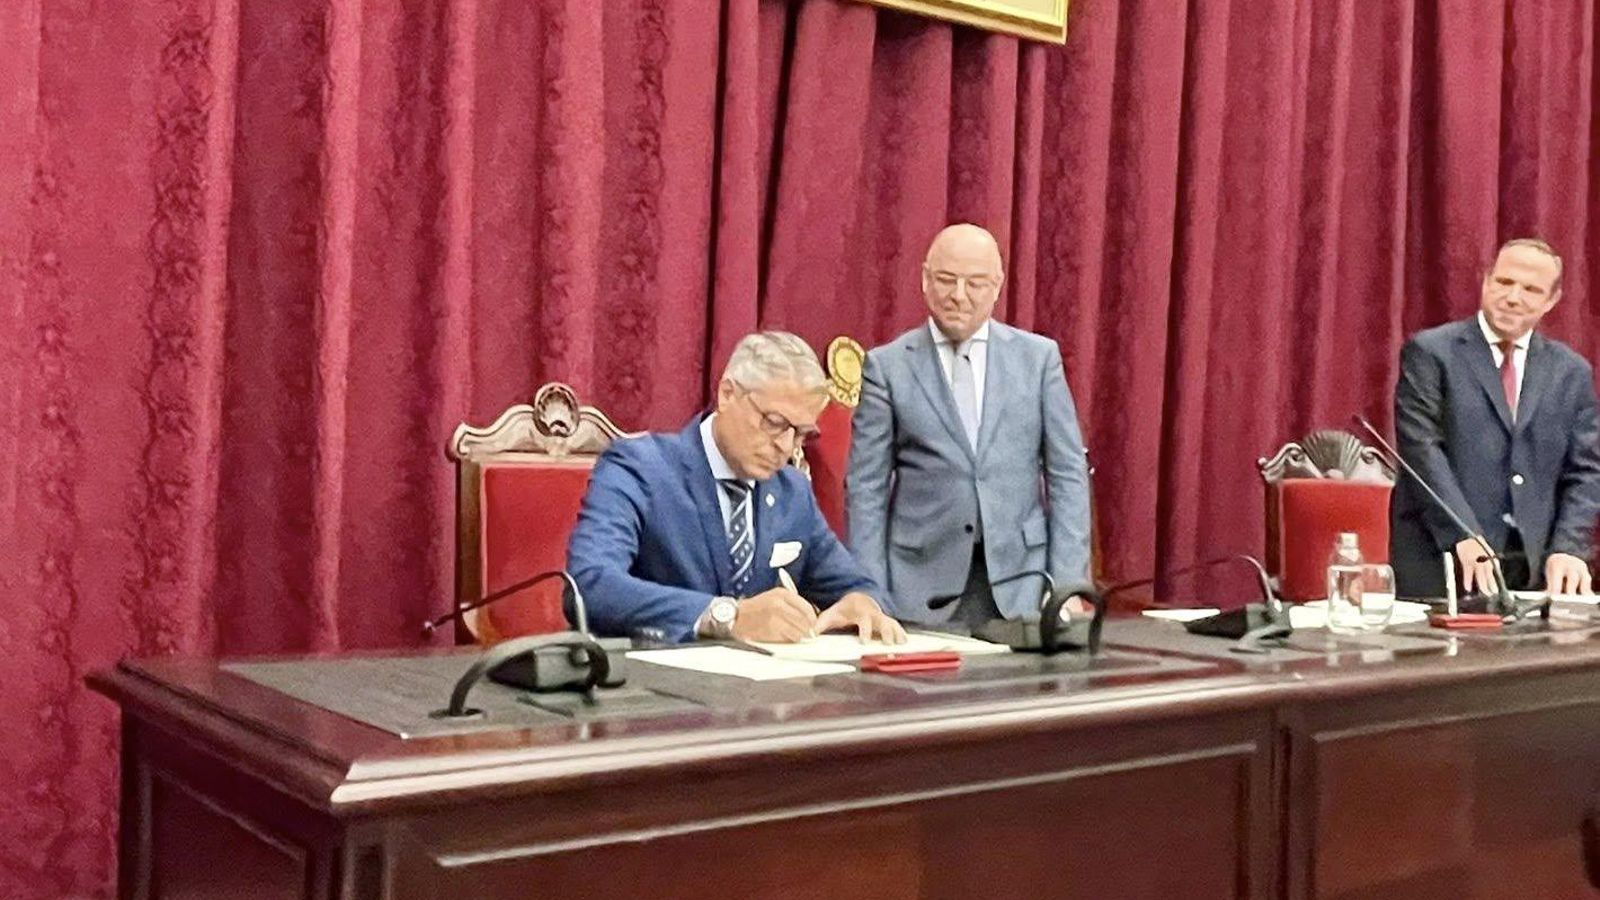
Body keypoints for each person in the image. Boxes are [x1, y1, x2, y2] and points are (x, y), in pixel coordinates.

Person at [568, 331, 906, 644]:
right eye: (774, 423)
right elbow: (590, 585)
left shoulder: (791, 492)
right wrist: (726, 616)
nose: (786, 447)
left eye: (801, 433)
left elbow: (856, 585)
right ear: (727, 394)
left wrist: (863, 603)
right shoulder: (640, 468)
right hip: (657, 678)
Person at [845, 223, 1092, 628]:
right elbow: (865, 488)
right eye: (946, 280)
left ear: (997, 286)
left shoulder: (1038, 360)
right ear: (925, 280)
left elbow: (1067, 474)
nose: (959, 295)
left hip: (1023, 585)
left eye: (975, 283)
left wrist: (1068, 583)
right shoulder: (887, 367)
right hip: (918, 587)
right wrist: (868, 591)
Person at [1391, 237, 1600, 597]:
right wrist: (1463, 533)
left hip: (1533, 571)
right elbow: (1422, 452)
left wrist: (1569, 547)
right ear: (1486, 281)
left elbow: (1586, 471)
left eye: (1531, 290)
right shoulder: (1431, 352)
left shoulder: (1571, 372)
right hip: (1444, 563)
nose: (1513, 297)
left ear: (1552, 300)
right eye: (1504, 282)